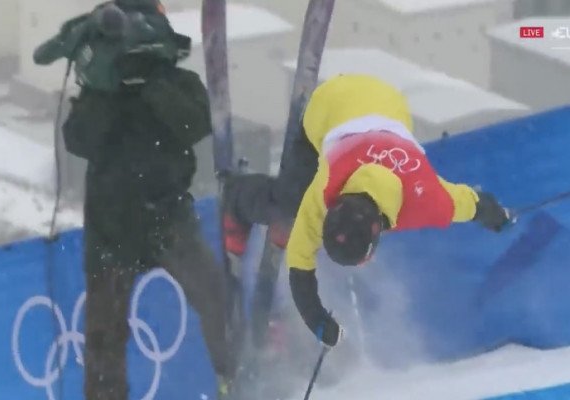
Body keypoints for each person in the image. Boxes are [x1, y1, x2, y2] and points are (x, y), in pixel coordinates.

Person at [34, 1, 235, 399]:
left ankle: (237, 379)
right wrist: (113, 89)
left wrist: (150, 81)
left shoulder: (175, 81)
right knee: (104, 335)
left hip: (167, 214)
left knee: (216, 297)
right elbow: (78, 139)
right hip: (112, 227)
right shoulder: (98, 91)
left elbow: (196, 123)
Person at [223, 74, 511, 348]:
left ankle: (278, 215)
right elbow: (299, 260)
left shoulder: (428, 199)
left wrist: (494, 214)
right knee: (290, 206)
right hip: (332, 102)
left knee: (299, 217)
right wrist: (317, 320)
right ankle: (237, 196)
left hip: (384, 101)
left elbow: (473, 204)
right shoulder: (324, 190)